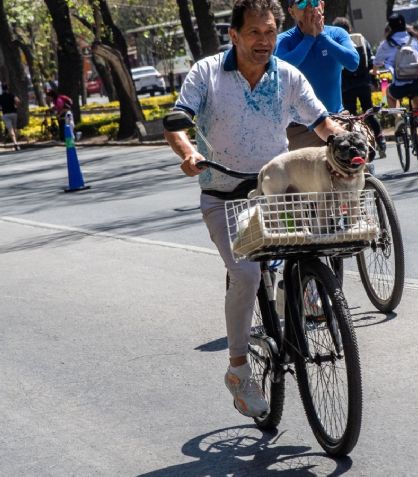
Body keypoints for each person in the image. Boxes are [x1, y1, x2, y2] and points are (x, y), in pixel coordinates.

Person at [163, 0, 345, 419]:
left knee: (316, 245)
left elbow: (321, 122)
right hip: (224, 196)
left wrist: (341, 141)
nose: (264, 42)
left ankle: (293, 300)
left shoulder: (288, 76)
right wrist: (189, 153)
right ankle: (239, 371)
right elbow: (177, 121)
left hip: (277, 191)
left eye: (269, 32)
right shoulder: (207, 73)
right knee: (245, 272)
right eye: (254, 33)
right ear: (234, 35)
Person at [275, 0, 359, 149]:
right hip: (299, 128)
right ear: (291, 11)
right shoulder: (283, 41)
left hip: (335, 119)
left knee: (357, 160)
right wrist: (309, 38)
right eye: (301, 3)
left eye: (313, 1)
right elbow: (283, 70)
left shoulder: (337, 33)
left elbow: (353, 62)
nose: (309, 7)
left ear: (322, 5)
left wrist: (321, 36)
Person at [332, 16, 387, 159]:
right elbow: (370, 59)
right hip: (363, 82)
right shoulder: (360, 39)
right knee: (369, 112)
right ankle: (380, 139)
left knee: (351, 117)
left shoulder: (334, 42)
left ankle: (355, 148)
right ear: (349, 28)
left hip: (346, 86)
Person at [373, 14, 418, 127]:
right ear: (405, 24)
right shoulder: (414, 39)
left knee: (388, 94)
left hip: (399, 88)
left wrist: (375, 71)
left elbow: (377, 62)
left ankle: (398, 118)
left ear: (390, 27)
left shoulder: (386, 44)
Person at [0, 83, 21, 150]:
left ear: (2, 88)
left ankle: (15, 143)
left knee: (10, 129)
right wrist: (16, 107)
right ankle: (16, 143)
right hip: (13, 113)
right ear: (8, 88)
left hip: (5, 114)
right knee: (14, 128)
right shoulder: (12, 95)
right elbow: (18, 101)